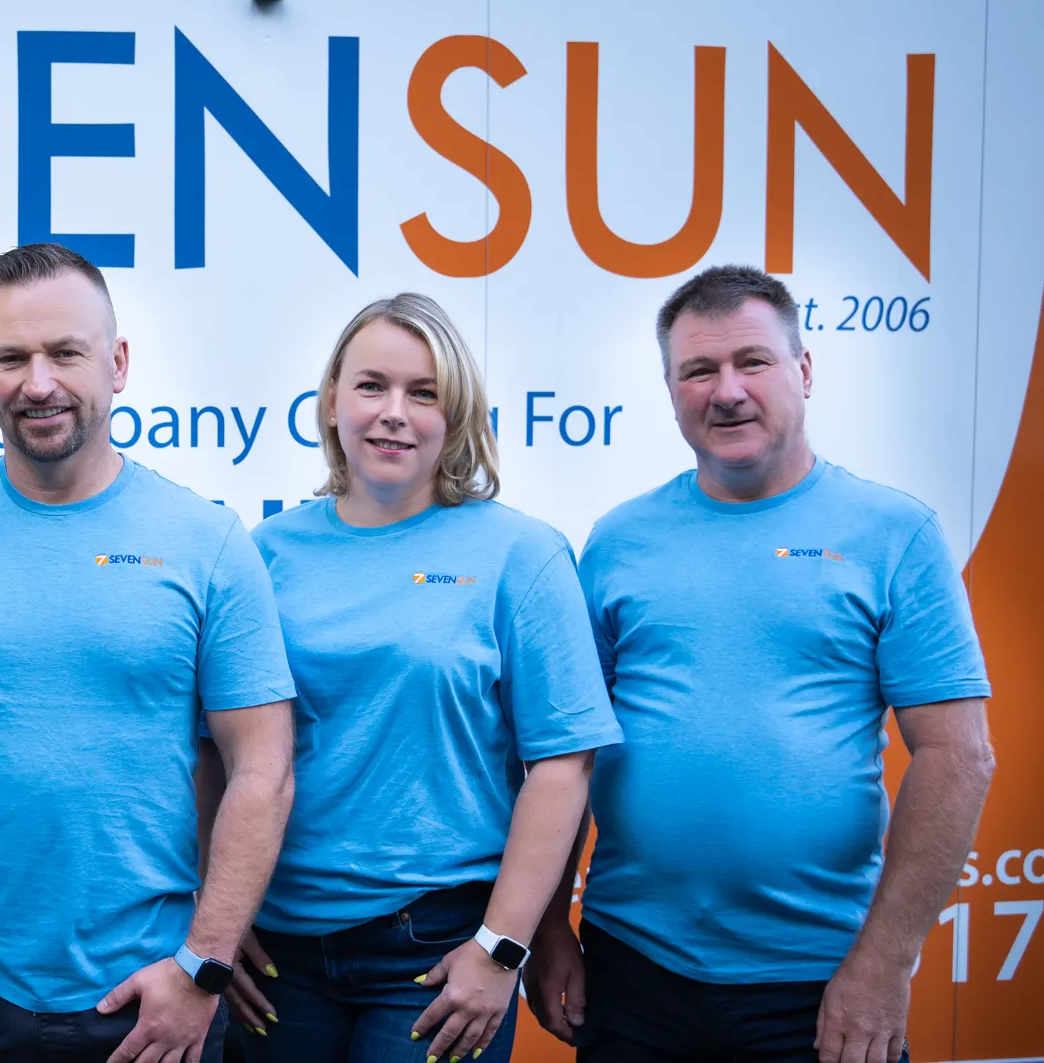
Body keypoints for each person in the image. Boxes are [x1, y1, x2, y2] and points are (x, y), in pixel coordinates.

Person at [525, 265, 996, 1063]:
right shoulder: (619, 539)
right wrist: (546, 930)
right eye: (698, 371)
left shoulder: (894, 534)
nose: (727, 391)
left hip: (822, 979)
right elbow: (566, 752)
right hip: (630, 969)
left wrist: (885, 964)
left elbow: (959, 757)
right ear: (670, 389)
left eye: (753, 362)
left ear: (804, 370)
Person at [0, 242, 297, 1063]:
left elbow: (262, 770)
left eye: (65, 353)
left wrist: (203, 966)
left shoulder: (207, 543)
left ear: (117, 363)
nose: (38, 382)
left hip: (152, 992)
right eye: (12, 358)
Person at [207, 294, 619, 1063]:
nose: (394, 413)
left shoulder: (521, 554)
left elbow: (563, 766)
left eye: (423, 393)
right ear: (332, 401)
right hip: (278, 953)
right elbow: (217, 751)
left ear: (454, 414)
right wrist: (220, 917)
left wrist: (501, 949)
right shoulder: (263, 555)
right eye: (372, 386)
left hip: (436, 953)